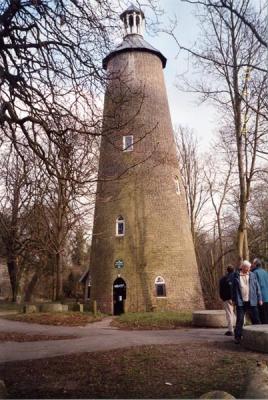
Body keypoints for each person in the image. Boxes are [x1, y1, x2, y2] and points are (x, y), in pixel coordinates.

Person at [232, 260, 262, 344]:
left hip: (252, 301)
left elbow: (257, 287)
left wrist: (260, 299)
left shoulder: (253, 275)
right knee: (240, 320)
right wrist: (234, 300)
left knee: (256, 319)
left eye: (249, 267)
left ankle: (259, 335)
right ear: (243, 267)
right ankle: (237, 337)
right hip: (240, 302)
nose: (249, 269)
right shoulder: (236, 276)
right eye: (248, 267)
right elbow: (233, 289)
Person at [219, 265, 235, 336]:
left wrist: (222, 298)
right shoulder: (236, 277)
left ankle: (230, 330)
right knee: (240, 314)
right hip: (236, 298)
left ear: (227, 270)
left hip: (227, 299)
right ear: (233, 270)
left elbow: (221, 290)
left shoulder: (223, 279)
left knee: (229, 314)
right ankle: (241, 328)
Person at [251, 258, 268, 324]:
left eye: (253, 263)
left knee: (260, 317)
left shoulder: (254, 273)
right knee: (266, 317)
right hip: (267, 298)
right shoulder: (265, 272)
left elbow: (254, 287)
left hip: (260, 298)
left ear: (255, 264)